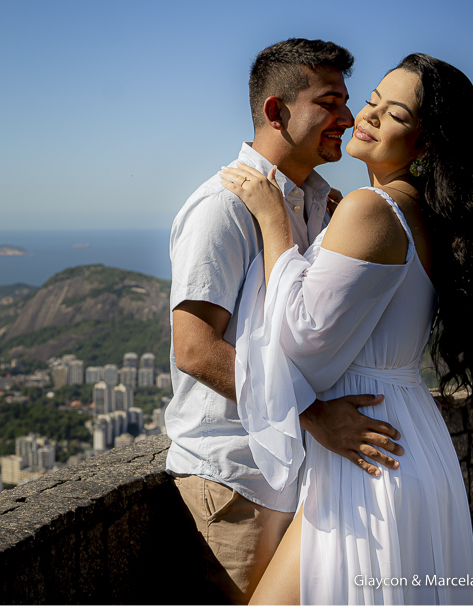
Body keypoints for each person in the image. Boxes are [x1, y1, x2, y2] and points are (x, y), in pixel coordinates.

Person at [222, 53, 473, 604]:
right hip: (398, 439)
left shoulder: (371, 209)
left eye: (394, 114)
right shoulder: (418, 211)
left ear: (425, 144)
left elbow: (300, 335)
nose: (367, 117)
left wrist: (273, 219)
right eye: (371, 102)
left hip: (367, 453)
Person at [166, 38, 409, 604]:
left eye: (348, 101)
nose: (348, 119)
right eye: (331, 102)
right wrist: (315, 414)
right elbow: (194, 349)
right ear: (276, 111)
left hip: (292, 480)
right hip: (233, 481)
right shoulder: (223, 207)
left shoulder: (320, 205)